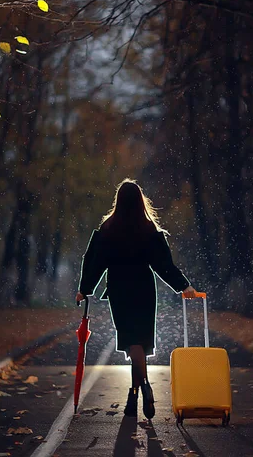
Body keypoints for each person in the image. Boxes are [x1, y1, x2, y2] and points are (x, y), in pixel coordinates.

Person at [75, 178, 197, 420]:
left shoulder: (108, 230)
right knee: (139, 343)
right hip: (143, 289)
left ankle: (140, 390)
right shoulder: (149, 230)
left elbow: (94, 262)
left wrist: (84, 288)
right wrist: (184, 286)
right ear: (141, 202)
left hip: (120, 290)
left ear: (118, 202)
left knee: (133, 344)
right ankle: (137, 392)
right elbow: (164, 265)